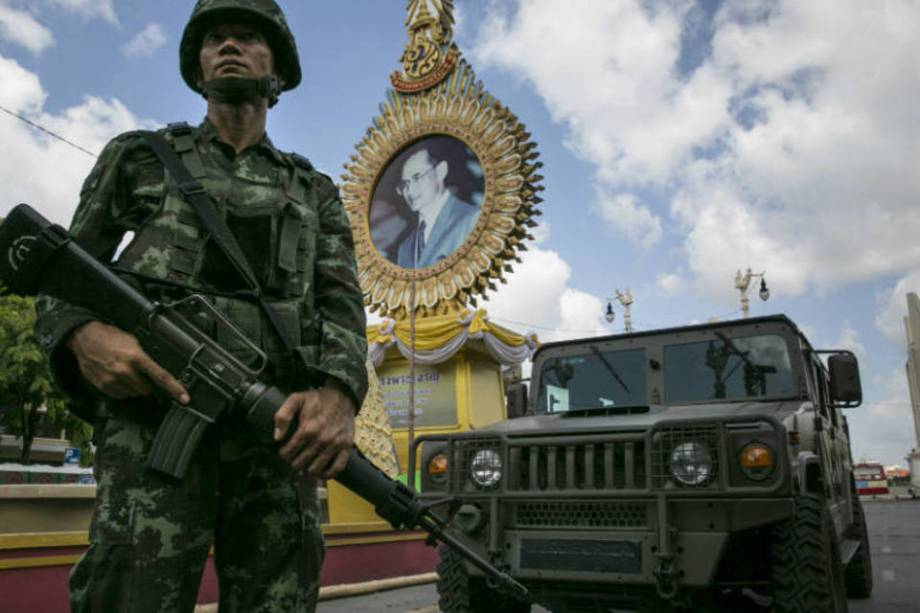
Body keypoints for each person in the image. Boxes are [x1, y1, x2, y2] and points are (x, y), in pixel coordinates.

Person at [33, 1, 368, 611]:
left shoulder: (312, 190)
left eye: (248, 37)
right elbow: (59, 275)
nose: (230, 47)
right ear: (198, 64)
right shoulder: (140, 156)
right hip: (153, 428)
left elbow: (342, 304)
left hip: (276, 436)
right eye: (216, 38)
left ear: (280, 69)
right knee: (127, 595)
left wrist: (339, 395)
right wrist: (83, 336)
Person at [394, 145, 479, 268]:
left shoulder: (471, 220)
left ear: (440, 171)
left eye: (417, 177)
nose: (410, 190)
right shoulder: (405, 249)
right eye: (405, 184)